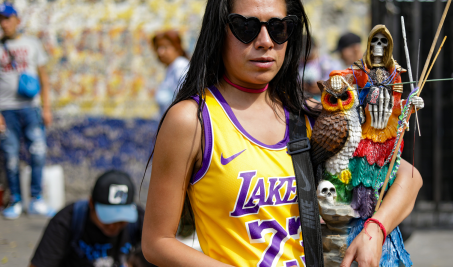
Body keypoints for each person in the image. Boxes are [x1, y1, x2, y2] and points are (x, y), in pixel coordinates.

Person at [142, 0, 422, 266]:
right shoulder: (193, 121)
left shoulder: (312, 116)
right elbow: (157, 242)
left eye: (279, 28)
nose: (265, 41)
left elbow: (407, 178)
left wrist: (374, 232)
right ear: (219, 31)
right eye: (246, 27)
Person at [0, 3, 53, 219]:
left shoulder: (32, 44)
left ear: (17, 21)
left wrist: (47, 107)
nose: (4, 23)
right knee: (10, 157)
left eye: (8, 19)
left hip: (31, 108)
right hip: (6, 109)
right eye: (1, 20)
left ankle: (36, 199)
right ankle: (16, 201)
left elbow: (43, 77)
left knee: (38, 153)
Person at [30, 170, 145, 267]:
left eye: (120, 220)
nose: (113, 225)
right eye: (107, 218)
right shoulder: (67, 220)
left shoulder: (140, 221)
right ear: (91, 204)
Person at [152, 30, 190, 117]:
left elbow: (185, 101)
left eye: (165, 47)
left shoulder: (180, 67)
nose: (160, 52)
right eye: (157, 48)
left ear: (177, 48)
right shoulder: (172, 68)